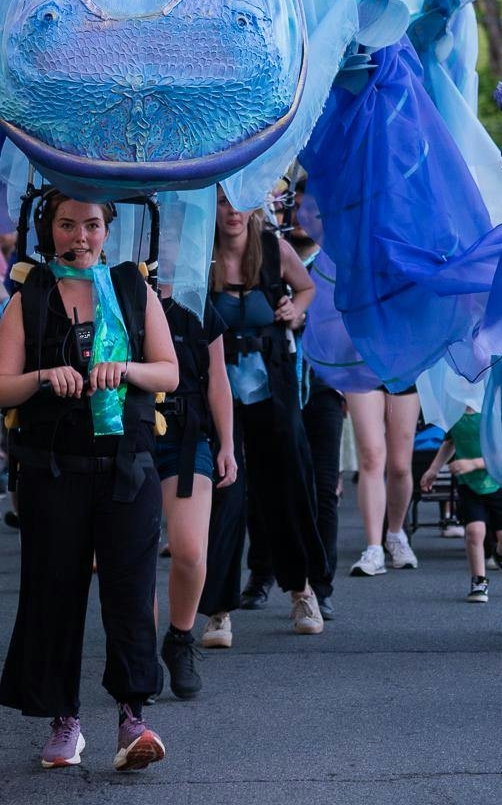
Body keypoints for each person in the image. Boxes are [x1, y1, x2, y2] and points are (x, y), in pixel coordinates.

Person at [0, 192, 177, 772]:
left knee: (129, 594)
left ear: (107, 230)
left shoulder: (132, 288)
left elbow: (168, 371)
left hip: (126, 471)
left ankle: (132, 717)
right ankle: (64, 721)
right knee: (54, 595)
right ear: (49, 230)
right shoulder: (31, 297)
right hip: (53, 473)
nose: (80, 236)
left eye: (91, 225)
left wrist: (127, 370)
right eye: (67, 225)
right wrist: (44, 376)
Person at [204, 195, 326, 635]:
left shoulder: (273, 249)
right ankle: (218, 609)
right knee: (223, 496)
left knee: (288, 487)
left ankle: (302, 593)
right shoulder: (200, 253)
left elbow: (307, 289)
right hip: (219, 396)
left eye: (242, 203)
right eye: (223, 203)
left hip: (271, 389)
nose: (232, 212)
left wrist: (296, 310)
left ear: (255, 208)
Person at [153, 283, 236, 698]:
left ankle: (180, 639)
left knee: (189, 550)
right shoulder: (119, 290)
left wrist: (228, 445)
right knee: (135, 554)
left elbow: (217, 379)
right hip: (131, 434)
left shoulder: (195, 301)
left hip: (187, 437)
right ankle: (137, 654)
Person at [419, 406, 502, 603]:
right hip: (468, 484)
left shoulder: (494, 412)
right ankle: (479, 581)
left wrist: (474, 463)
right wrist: (433, 470)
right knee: (474, 531)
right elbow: (450, 443)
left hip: (498, 482)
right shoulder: (453, 413)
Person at [345, 385, 420, 577]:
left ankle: (395, 535)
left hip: (402, 366)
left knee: (400, 465)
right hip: (361, 366)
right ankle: (374, 547)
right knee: (371, 457)